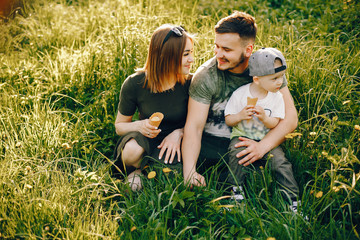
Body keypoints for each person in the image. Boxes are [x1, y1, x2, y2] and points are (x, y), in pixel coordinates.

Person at [182, 11, 298, 189]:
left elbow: (290, 118)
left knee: (266, 178)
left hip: (255, 141)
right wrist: (189, 172)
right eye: (217, 46)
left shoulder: (267, 68)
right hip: (214, 146)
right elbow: (194, 128)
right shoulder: (206, 76)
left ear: (248, 50)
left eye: (226, 49)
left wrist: (262, 147)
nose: (218, 54)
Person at [112, 24, 194, 191]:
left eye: (191, 53)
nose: (191, 59)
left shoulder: (191, 83)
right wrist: (139, 125)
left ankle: (142, 172)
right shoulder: (135, 83)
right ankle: (137, 169)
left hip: (174, 143)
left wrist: (179, 133)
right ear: (166, 56)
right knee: (132, 150)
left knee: (171, 180)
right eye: (186, 54)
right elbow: (119, 126)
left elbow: (200, 123)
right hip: (145, 138)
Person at [224, 47, 299, 207]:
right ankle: (236, 193)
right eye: (274, 78)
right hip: (242, 136)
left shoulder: (277, 97)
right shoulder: (240, 94)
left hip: (267, 138)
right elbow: (229, 119)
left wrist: (265, 118)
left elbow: (275, 123)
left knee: (280, 162)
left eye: (282, 77)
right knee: (237, 155)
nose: (280, 82)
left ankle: (292, 200)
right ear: (257, 79)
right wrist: (240, 116)